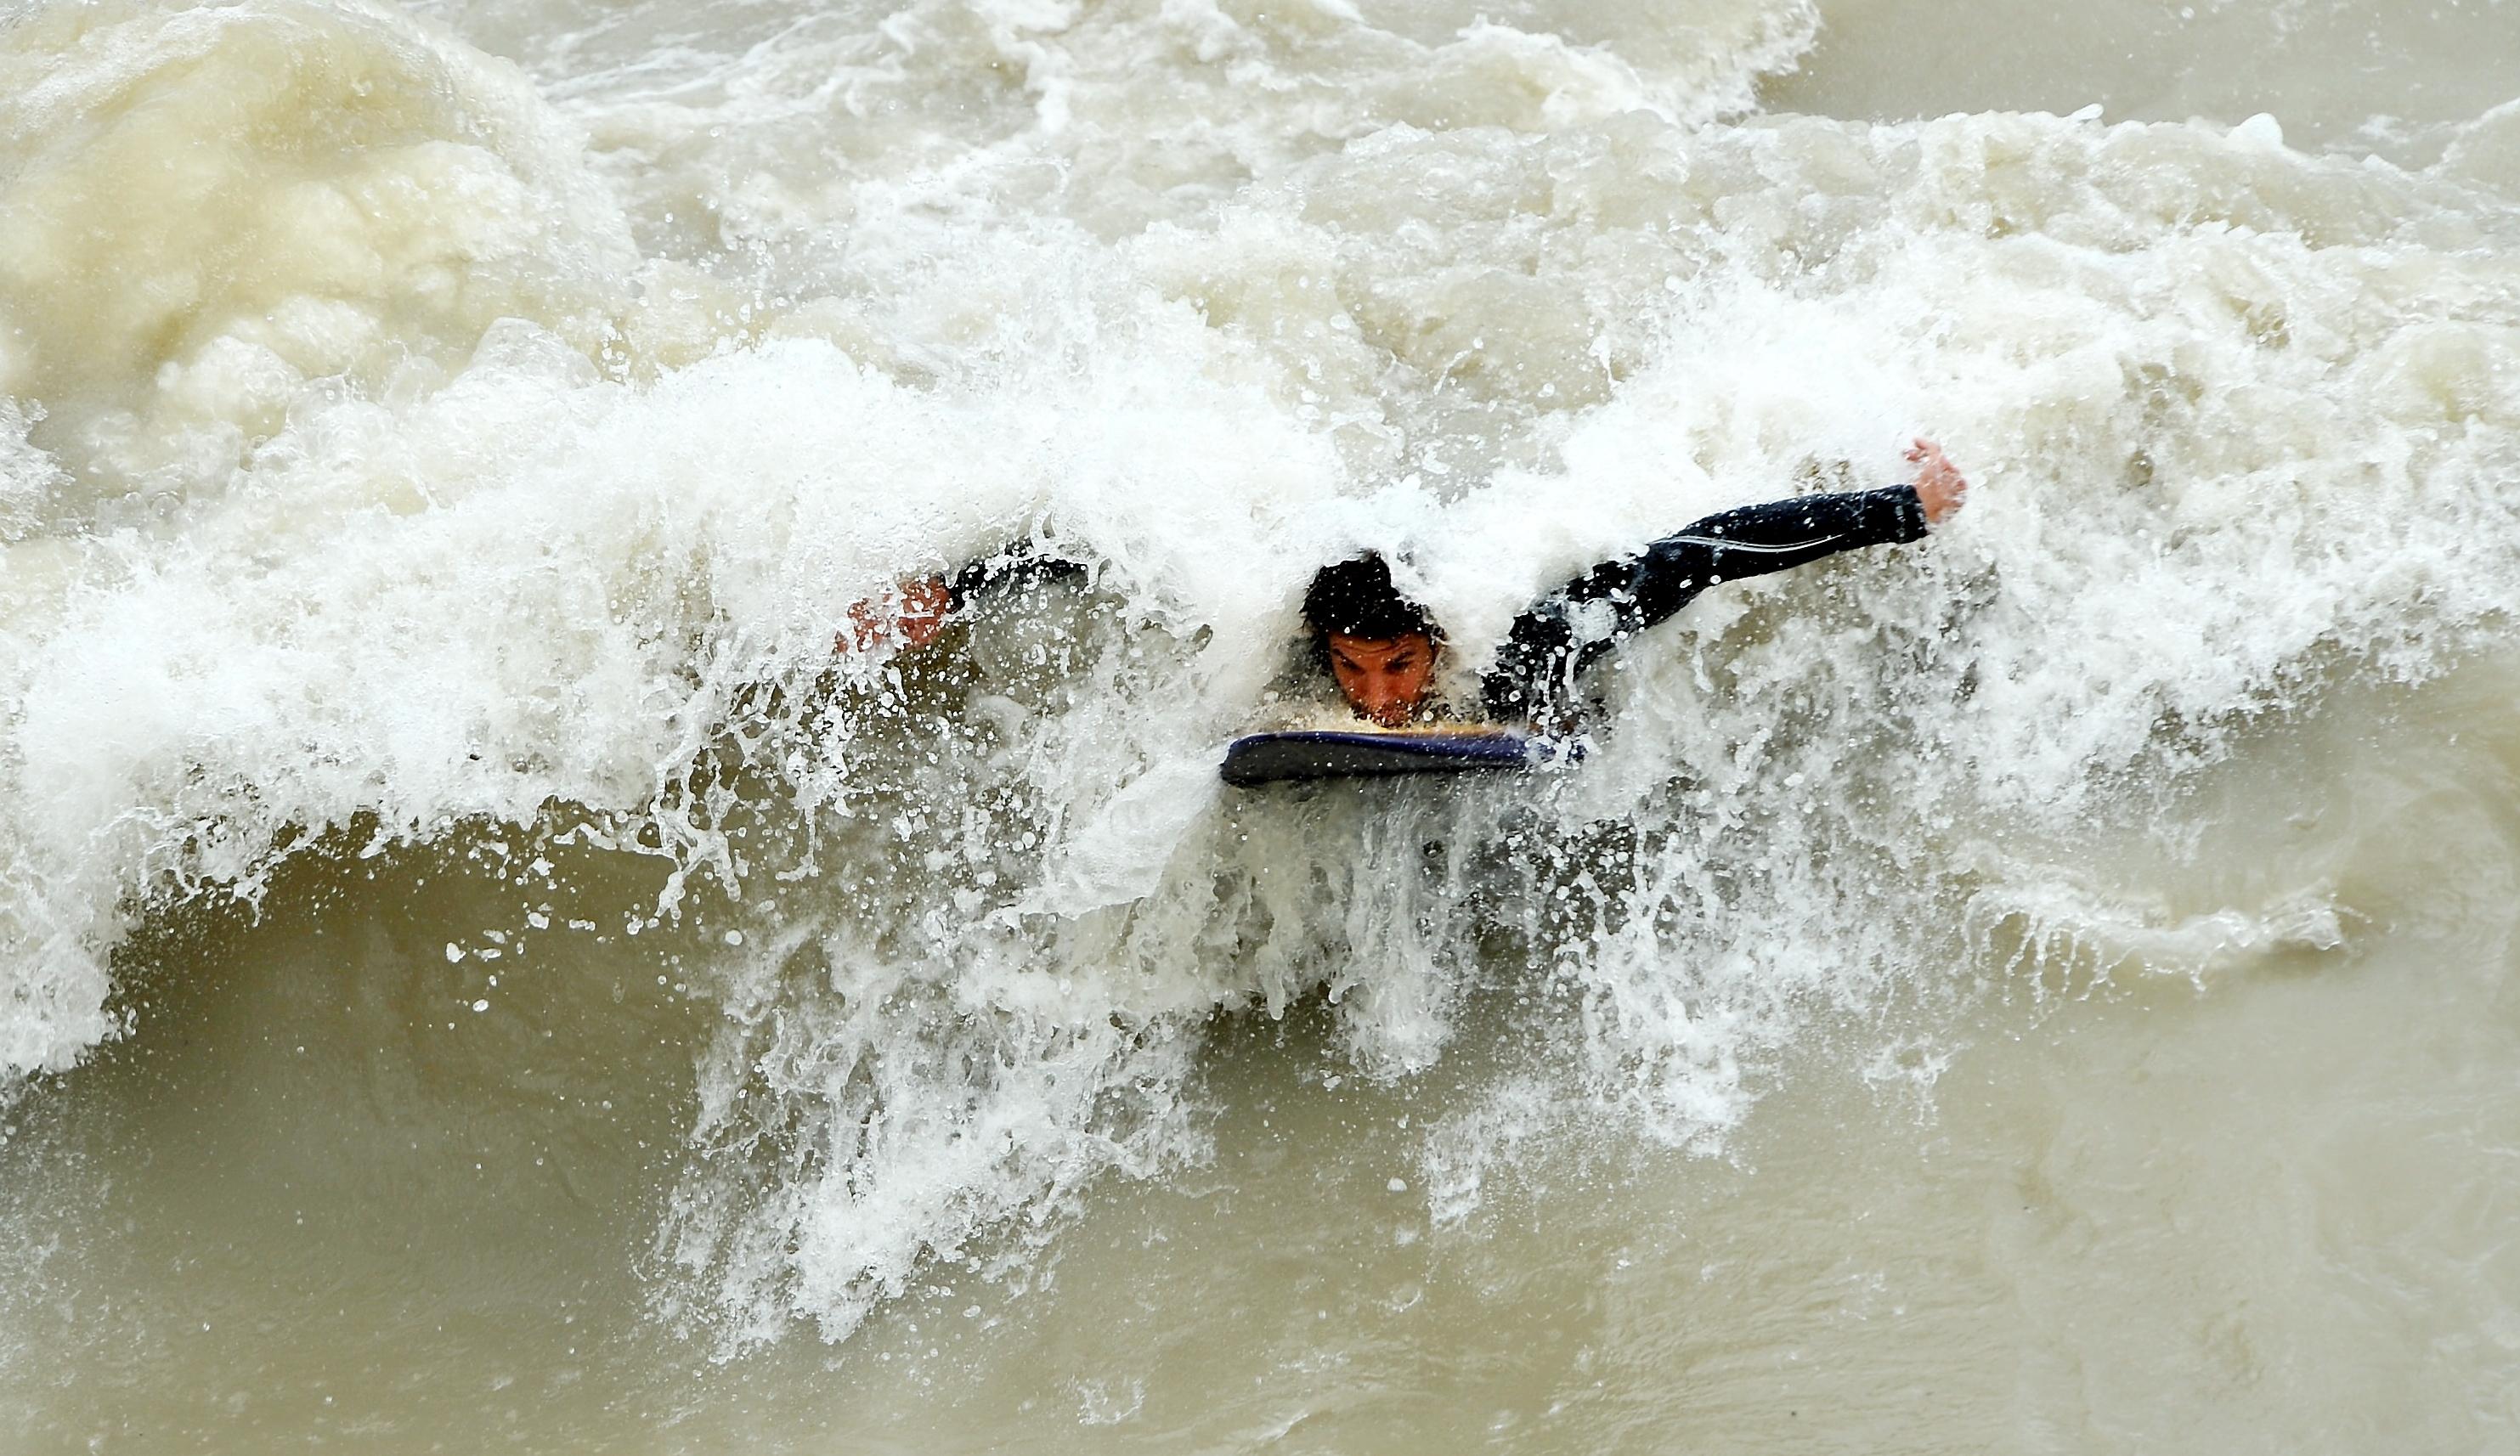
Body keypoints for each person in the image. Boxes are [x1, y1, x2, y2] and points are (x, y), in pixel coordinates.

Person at [845, 438, 1969, 729]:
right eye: (1354, 671)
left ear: (1433, 643)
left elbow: (1701, 552)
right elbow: (1110, 559)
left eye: (1395, 668)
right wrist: (955, 592)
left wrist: (1899, 509)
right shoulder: (1276, 621)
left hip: (1529, 674)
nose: (1378, 698)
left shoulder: (1523, 632)